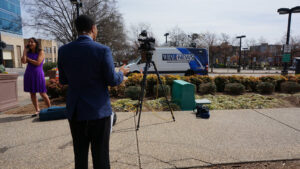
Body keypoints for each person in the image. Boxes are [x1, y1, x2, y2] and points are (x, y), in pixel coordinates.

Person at [58, 15, 129, 169]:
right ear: (93, 28)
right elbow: (112, 80)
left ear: (77, 30)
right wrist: (121, 72)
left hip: (76, 111)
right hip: (98, 112)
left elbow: (63, 80)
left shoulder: (63, 50)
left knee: (80, 155)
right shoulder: (102, 50)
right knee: (101, 156)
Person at [21, 37, 51, 117]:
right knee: (32, 93)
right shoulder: (28, 52)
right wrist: (24, 50)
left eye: (31, 42)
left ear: (36, 43)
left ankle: (50, 108)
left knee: (42, 93)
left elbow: (38, 63)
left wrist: (29, 60)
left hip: (38, 74)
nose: (30, 43)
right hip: (29, 74)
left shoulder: (41, 52)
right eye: (29, 42)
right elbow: (23, 61)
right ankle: (37, 110)